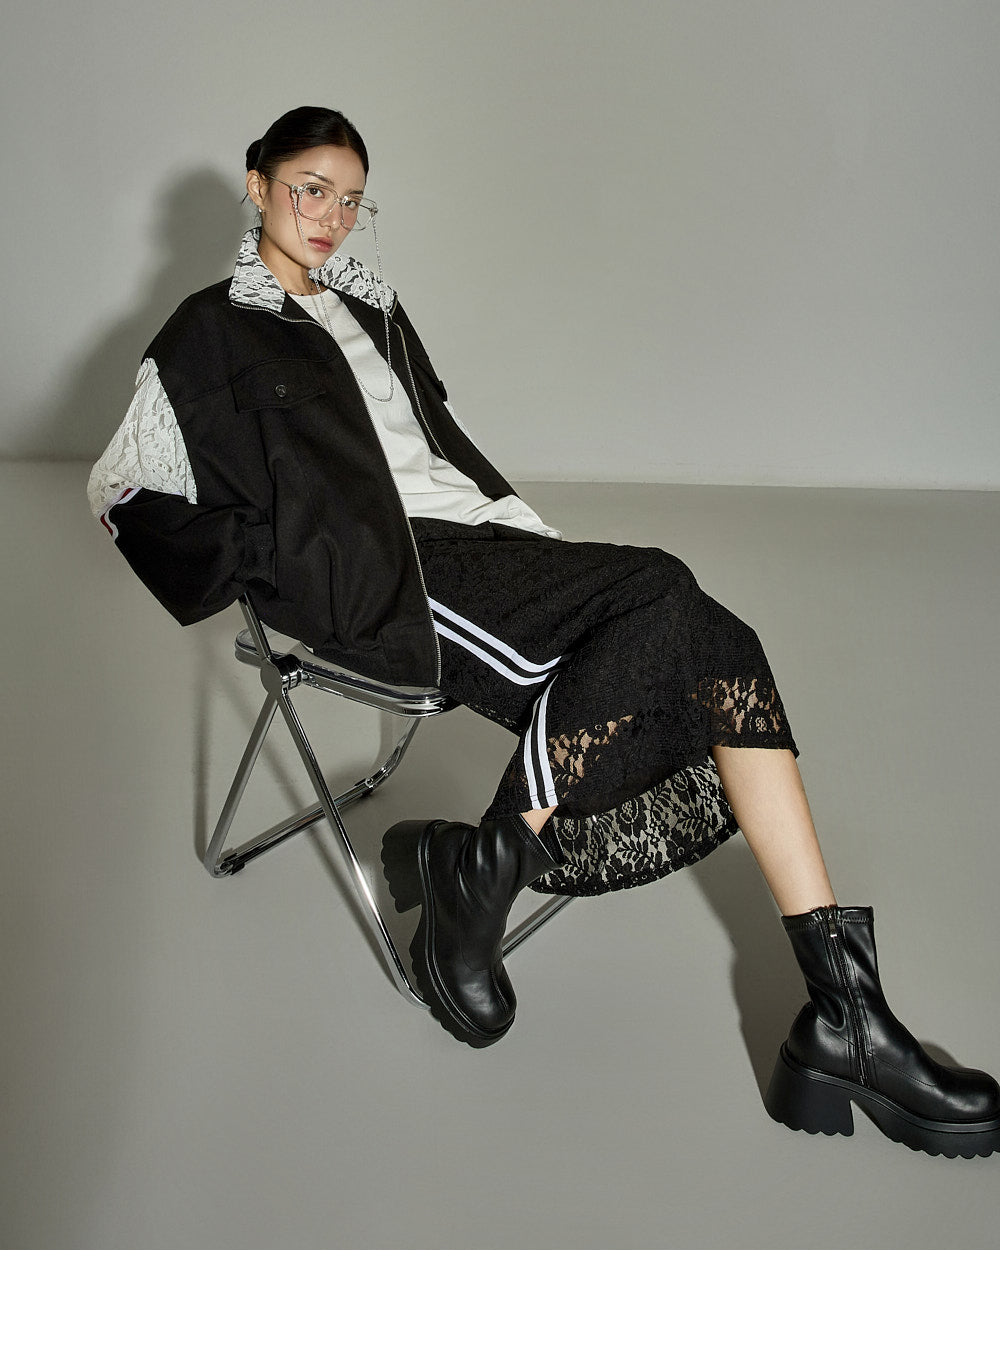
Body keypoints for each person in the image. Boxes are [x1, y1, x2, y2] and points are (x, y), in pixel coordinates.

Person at [88, 105, 999, 1158]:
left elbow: (433, 445)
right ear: (258, 187)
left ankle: (844, 1016)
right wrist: (283, 559)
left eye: (351, 199)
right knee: (663, 593)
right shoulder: (208, 331)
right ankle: (485, 877)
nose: (330, 216)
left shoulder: (372, 307)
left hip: (481, 541)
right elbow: (123, 490)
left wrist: (513, 530)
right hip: (388, 575)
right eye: (310, 190)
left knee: (715, 639)